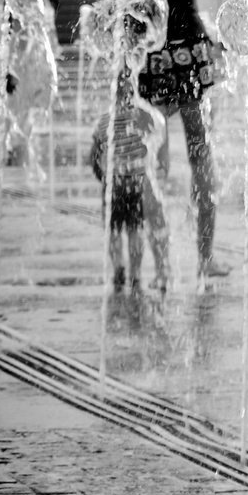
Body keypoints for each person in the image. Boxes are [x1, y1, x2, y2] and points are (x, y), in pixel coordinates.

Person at [110, 0, 227, 278]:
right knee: (201, 151)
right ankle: (206, 258)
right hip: (190, 50)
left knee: (151, 157)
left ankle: (160, 261)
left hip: (146, 55)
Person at [90, 67, 169, 322]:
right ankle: (135, 272)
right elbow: (156, 140)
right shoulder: (143, 117)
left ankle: (118, 267)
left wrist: (102, 176)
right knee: (135, 229)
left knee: (113, 230)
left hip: (113, 183)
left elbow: (94, 154)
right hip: (135, 182)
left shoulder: (105, 121)